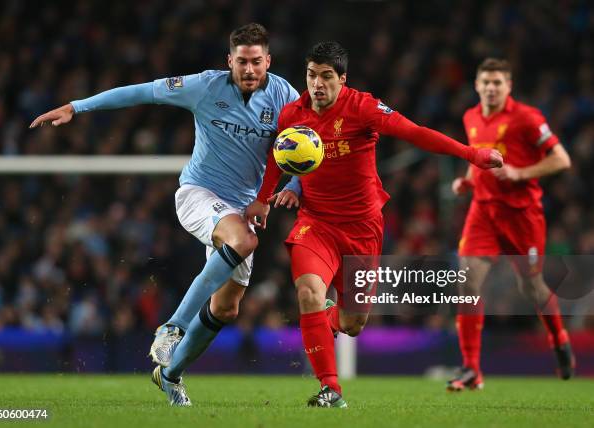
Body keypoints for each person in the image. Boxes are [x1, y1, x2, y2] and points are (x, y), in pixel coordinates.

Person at [30, 23, 299, 406]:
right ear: (230, 61)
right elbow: (142, 92)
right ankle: (172, 328)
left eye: (257, 62)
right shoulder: (205, 86)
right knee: (244, 239)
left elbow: (307, 146)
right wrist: (78, 106)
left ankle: (170, 375)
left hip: (240, 208)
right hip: (198, 194)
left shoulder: (286, 96)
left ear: (268, 61)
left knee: (227, 307)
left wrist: (292, 186)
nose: (250, 70)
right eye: (242, 62)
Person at [245, 41, 503, 408]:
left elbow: (415, 132)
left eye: (326, 76)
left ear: (342, 79)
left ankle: (320, 324)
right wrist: (264, 197)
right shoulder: (293, 114)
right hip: (315, 223)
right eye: (311, 75)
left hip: (362, 229)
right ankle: (330, 390)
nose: (317, 84)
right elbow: (277, 158)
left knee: (352, 323)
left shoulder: (363, 107)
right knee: (308, 293)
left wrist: (472, 154)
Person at [447, 58, 575, 391]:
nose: (490, 88)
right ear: (476, 84)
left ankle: (559, 339)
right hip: (483, 213)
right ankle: (471, 368)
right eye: (485, 82)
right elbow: (478, 159)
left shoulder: (527, 118)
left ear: (509, 86)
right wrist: (466, 181)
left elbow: (562, 159)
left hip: (522, 215)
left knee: (531, 288)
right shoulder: (470, 116)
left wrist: (521, 173)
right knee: (467, 282)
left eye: (497, 83)